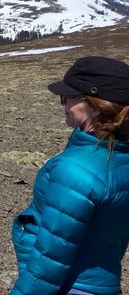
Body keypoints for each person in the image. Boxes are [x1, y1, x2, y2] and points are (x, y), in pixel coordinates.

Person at [10, 56, 129, 295]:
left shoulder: (74, 170)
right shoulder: (120, 160)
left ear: (94, 106)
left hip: (70, 287)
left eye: (67, 97)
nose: (61, 103)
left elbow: (50, 260)